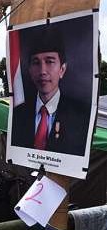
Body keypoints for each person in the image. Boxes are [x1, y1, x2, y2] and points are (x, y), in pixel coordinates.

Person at [11, 27, 91, 156]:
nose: (42, 71)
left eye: (49, 61)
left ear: (62, 69)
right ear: (30, 70)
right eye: (36, 63)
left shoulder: (82, 115)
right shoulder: (17, 114)